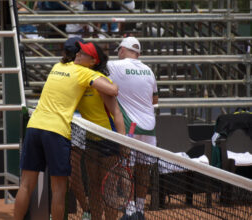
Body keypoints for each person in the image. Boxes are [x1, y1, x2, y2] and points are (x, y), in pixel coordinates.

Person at [14, 38, 119, 220]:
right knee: (59, 191)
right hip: (56, 131)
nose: (79, 53)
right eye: (79, 51)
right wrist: (114, 84)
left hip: (34, 127)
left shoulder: (57, 67)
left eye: (83, 52)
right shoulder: (85, 73)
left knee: (25, 185)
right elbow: (113, 90)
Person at [67, 40, 125, 220]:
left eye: (83, 53)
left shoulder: (102, 82)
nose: (78, 54)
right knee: (93, 186)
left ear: (94, 61)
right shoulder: (80, 80)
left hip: (109, 139)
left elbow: (116, 113)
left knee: (108, 189)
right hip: (91, 140)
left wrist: (123, 142)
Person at [107, 36, 158, 220]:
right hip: (149, 127)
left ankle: (129, 211)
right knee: (144, 169)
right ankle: (140, 210)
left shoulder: (114, 66)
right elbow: (155, 100)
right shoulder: (149, 71)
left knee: (126, 168)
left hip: (129, 127)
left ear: (122, 50)